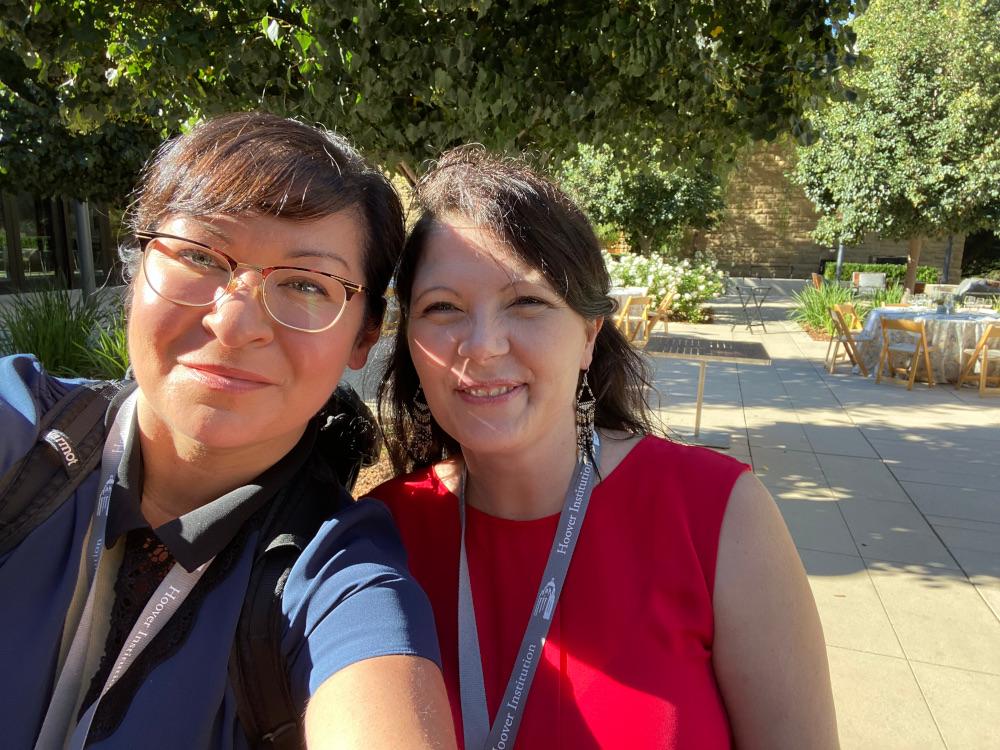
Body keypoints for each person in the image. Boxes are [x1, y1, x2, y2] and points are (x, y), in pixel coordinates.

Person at [0, 113, 456, 749]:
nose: (237, 322)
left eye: (305, 284)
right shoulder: (21, 434)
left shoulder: (334, 574)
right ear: (135, 272)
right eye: (199, 255)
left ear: (364, 337)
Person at [373, 147, 839, 749]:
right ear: (408, 338)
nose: (483, 345)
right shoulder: (380, 538)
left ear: (589, 335)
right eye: (443, 308)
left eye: (527, 301)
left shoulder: (718, 517)